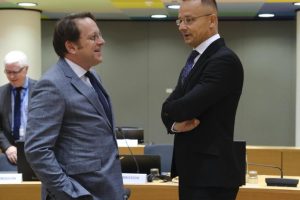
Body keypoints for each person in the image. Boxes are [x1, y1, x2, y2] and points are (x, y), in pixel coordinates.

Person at [25, 12, 124, 200]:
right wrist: (72, 194)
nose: (102, 41)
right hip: (79, 193)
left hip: (104, 188)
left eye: (100, 35)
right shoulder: (51, 85)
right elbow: (37, 150)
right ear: (71, 46)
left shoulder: (93, 76)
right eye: (93, 37)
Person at [161, 0, 244, 200]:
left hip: (212, 177)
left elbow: (182, 108)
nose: (182, 26)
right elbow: (167, 110)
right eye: (180, 20)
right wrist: (174, 124)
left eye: (189, 20)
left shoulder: (223, 60)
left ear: (212, 20)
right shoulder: (196, 58)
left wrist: (172, 111)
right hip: (194, 172)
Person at [0, 50, 36, 168]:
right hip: (10, 154)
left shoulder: (40, 90)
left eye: (15, 72)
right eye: (7, 72)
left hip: (36, 151)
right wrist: (7, 147)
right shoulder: (1, 93)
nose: (11, 76)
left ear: (26, 69)